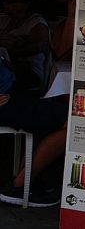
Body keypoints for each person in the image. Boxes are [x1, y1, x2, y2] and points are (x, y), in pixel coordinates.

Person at [0, 52, 68, 207]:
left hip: (11, 92)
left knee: (58, 109)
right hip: (5, 102)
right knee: (73, 122)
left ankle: (29, 180)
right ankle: (20, 186)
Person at [0, 0, 52, 94]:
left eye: (11, 1)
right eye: (5, 0)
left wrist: (11, 51)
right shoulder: (4, 19)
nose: (6, 3)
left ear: (26, 4)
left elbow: (41, 47)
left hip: (27, 71)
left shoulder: (36, 23)